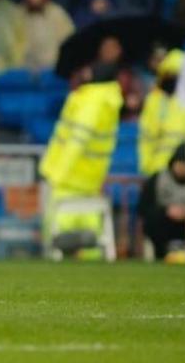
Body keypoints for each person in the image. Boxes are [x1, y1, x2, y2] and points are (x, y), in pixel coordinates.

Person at [39, 63, 121, 260]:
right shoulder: (108, 100)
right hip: (91, 180)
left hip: (69, 179)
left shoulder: (91, 101)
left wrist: (56, 174)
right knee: (92, 238)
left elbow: (76, 142)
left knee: (56, 237)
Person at [139, 50, 185, 176]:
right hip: (158, 169)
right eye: (168, 74)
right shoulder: (154, 99)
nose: (170, 78)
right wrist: (146, 166)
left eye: (175, 74)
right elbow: (146, 136)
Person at [20, 0, 74, 72]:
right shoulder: (17, 14)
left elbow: (70, 42)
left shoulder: (57, 14)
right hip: (24, 70)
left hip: (52, 69)